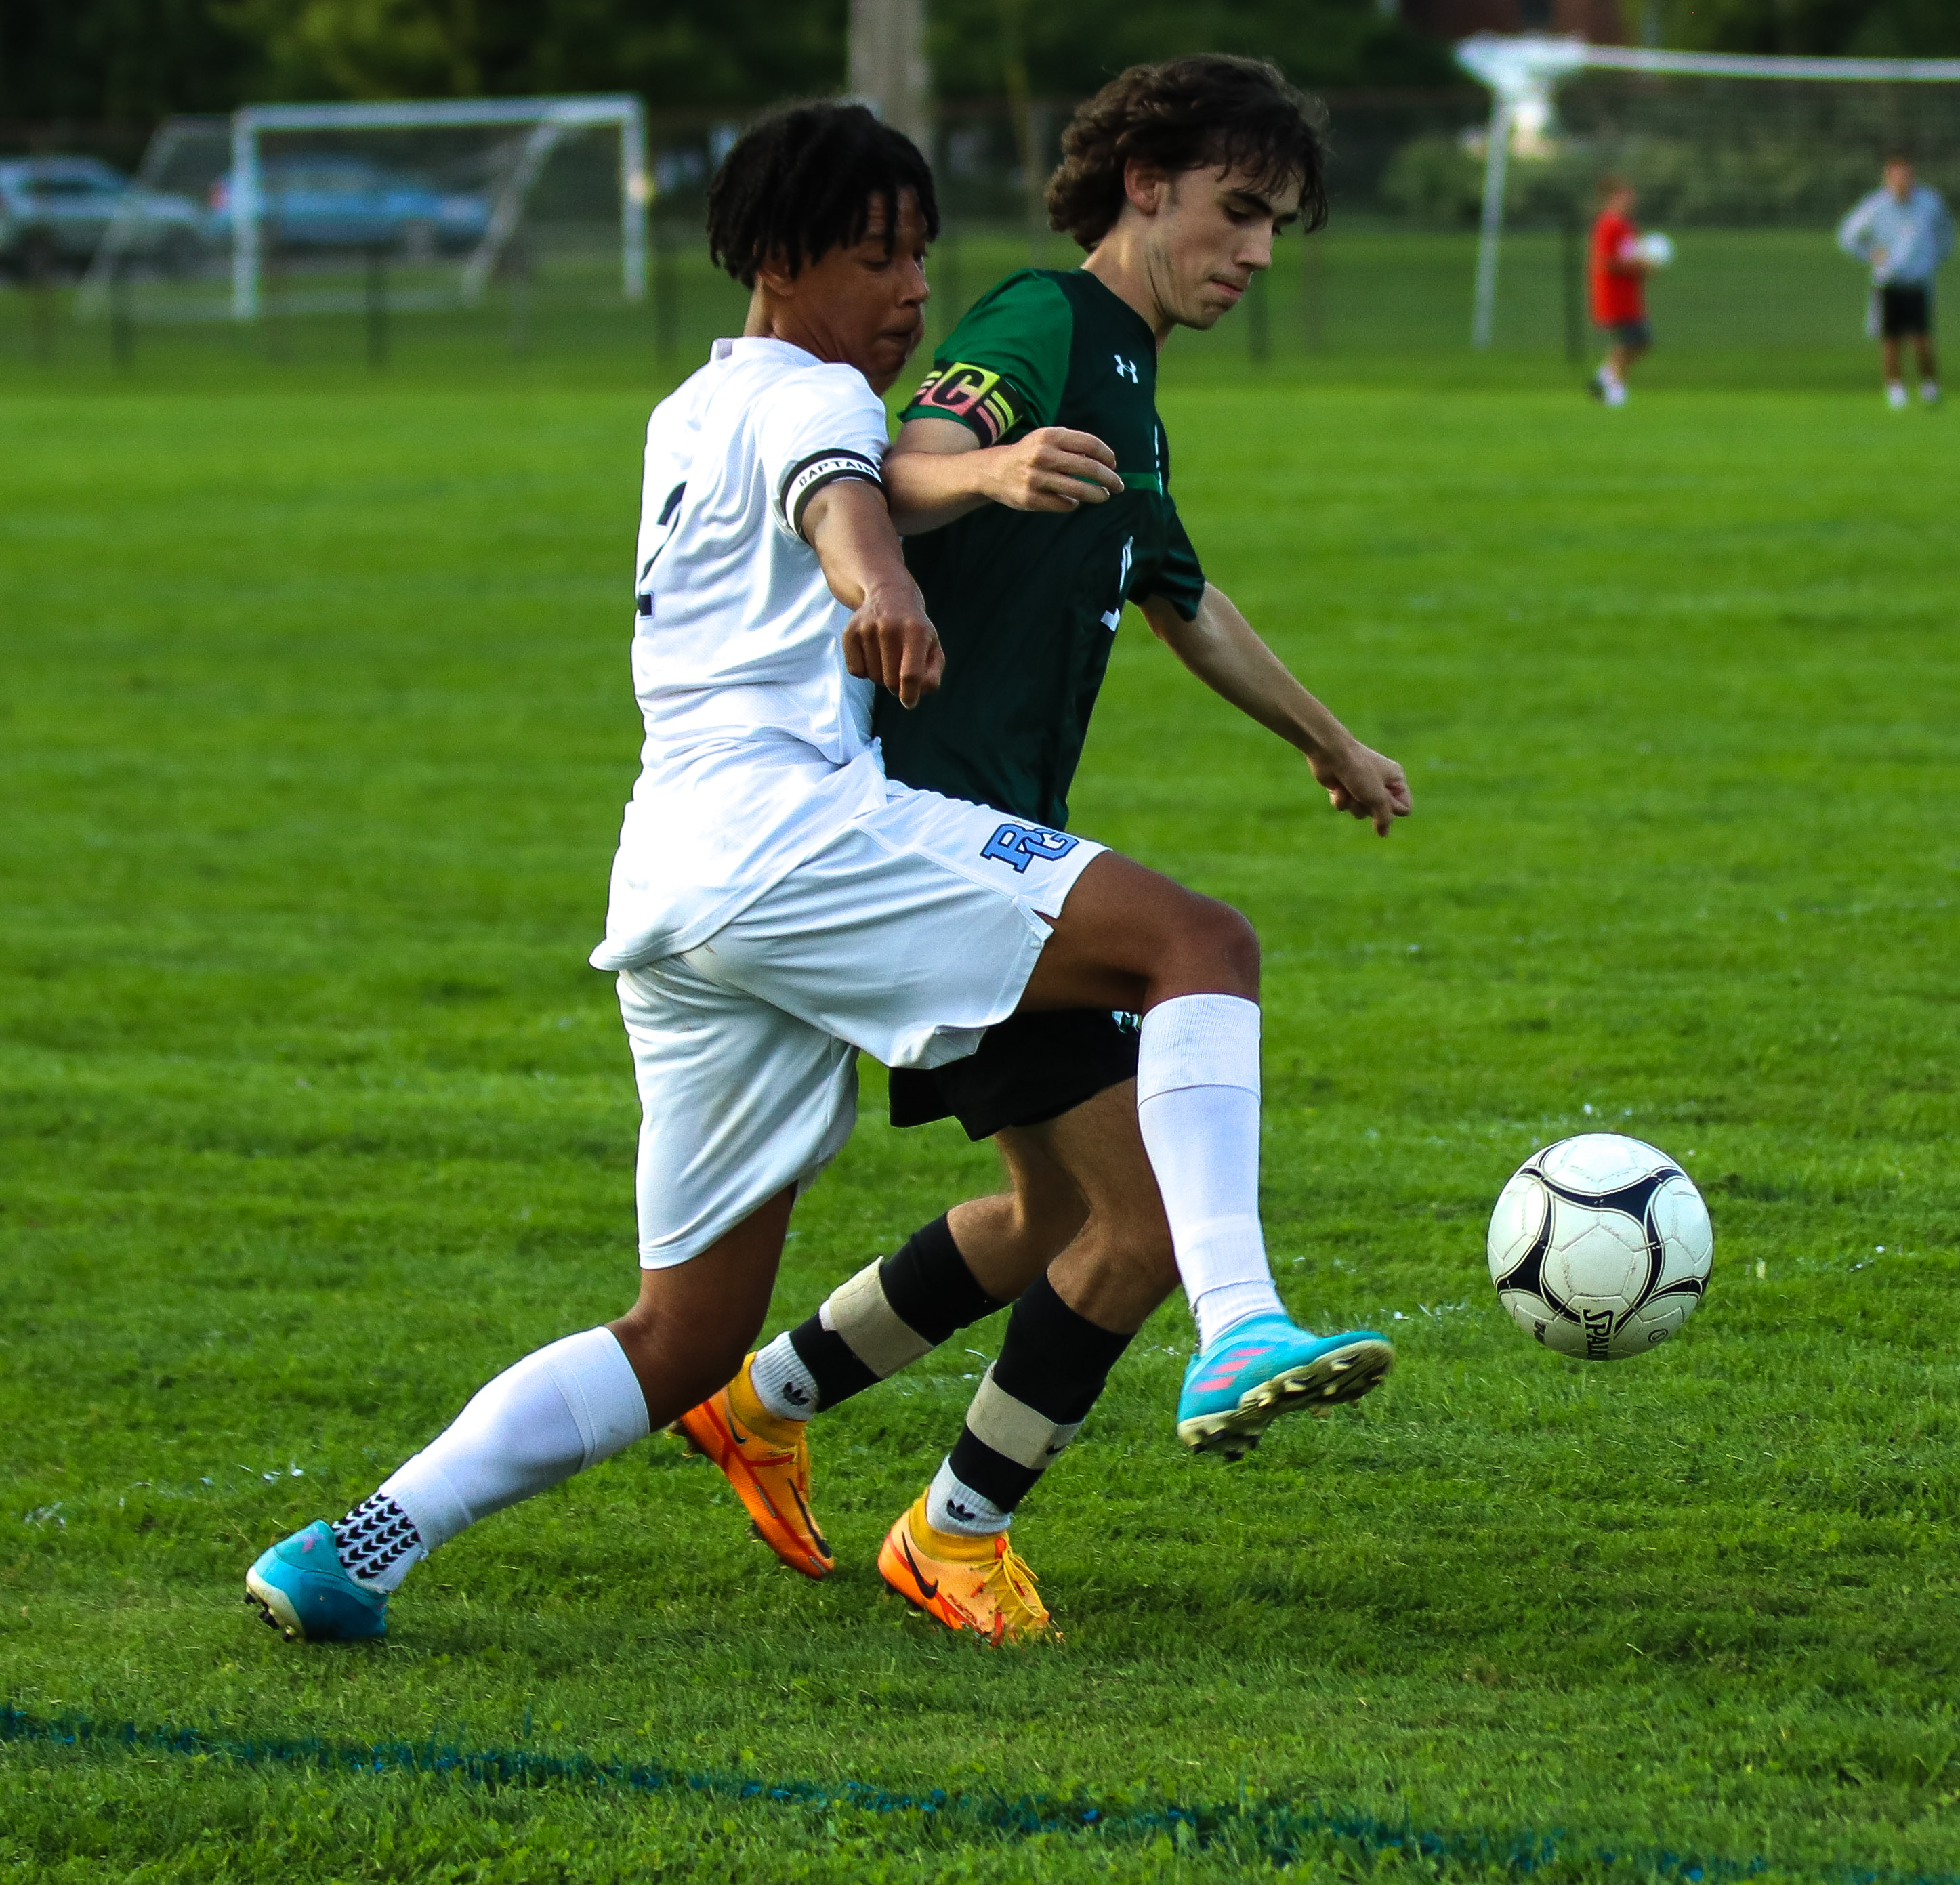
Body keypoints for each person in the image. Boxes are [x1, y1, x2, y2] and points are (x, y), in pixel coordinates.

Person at [241, 100, 1395, 1646]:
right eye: (879, 259)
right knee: (1197, 940)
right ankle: (1234, 1324)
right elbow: (851, 491)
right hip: (803, 843)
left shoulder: (684, 408)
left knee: (681, 1332)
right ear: (782, 264)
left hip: (670, 887)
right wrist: (896, 572)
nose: (914, 295)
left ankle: (357, 1543)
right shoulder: (807, 394)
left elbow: (888, 495)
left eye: (921, 255)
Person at [674, 57, 1411, 1646]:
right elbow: (892, 467)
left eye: (1277, 224)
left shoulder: (1129, 377)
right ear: (1142, 182)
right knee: (1131, 1224)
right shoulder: (1040, 324)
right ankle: (957, 1527)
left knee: (1045, 1219)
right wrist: (992, 467)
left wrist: (1328, 740)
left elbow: (1180, 593)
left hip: (985, 843)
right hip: (929, 843)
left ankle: (764, 1401)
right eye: (1239, 210)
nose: (1260, 251)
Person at [1838, 156, 1953, 410]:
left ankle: (1929, 386)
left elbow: (1946, 234)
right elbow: (1848, 235)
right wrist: (1870, 253)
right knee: (1890, 340)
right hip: (1889, 281)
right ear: (1888, 179)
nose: (1902, 182)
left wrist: (1934, 260)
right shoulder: (1876, 206)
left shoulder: (1929, 204)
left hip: (1917, 280)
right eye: (1897, 177)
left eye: (1906, 177)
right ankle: (1896, 390)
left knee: (1921, 339)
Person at [1589, 179, 1651, 408]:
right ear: (1612, 199)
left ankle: (1604, 378)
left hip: (1631, 295)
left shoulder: (1628, 227)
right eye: (1625, 196)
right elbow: (1605, 262)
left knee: (1640, 342)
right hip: (1613, 295)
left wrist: (1647, 266)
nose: (1630, 201)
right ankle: (1614, 390)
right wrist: (1638, 266)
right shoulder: (1608, 225)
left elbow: (1635, 255)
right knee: (1632, 340)